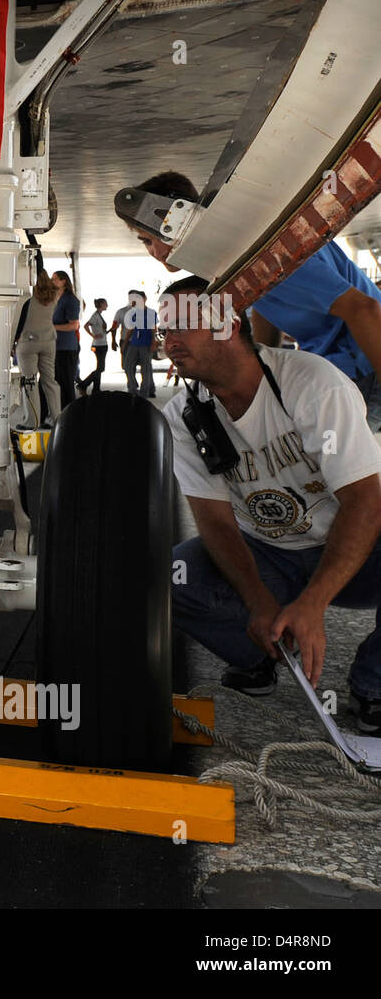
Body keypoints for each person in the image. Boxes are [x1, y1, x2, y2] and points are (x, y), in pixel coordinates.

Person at [161, 275, 381, 733]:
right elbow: (215, 522)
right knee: (169, 578)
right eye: (164, 329)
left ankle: (373, 685)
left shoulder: (312, 384)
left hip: (357, 549)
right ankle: (261, 651)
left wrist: (315, 602)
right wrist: (258, 601)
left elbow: (365, 501)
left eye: (181, 325)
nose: (168, 339)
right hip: (270, 554)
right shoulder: (183, 415)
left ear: (227, 323)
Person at [127, 170, 381, 429]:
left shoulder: (266, 250)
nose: (153, 252)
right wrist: (263, 377)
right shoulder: (235, 252)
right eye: (145, 243)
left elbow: (364, 309)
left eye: (149, 240)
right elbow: (265, 302)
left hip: (365, 364)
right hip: (339, 364)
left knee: (322, 460)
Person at [13, 270, 60, 428]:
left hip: (28, 341)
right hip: (49, 340)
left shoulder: (26, 295)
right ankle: (56, 419)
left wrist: (13, 340)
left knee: (30, 382)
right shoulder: (53, 294)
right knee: (50, 381)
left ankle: (32, 422)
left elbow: (18, 319)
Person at [51, 270, 81, 408]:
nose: (52, 281)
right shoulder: (53, 299)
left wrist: (53, 327)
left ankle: (70, 411)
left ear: (64, 281)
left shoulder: (70, 300)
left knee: (66, 381)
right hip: (55, 346)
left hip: (66, 347)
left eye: (55, 279)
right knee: (55, 380)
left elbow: (74, 325)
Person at [122, 290, 158, 398]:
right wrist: (125, 342)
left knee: (145, 369)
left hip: (146, 344)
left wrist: (153, 343)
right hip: (134, 343)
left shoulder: (151, 312)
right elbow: (130, 329)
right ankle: (132, 389)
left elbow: (154, 329)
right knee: (127, 365)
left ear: (145, 299)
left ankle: (144, 392)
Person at [76, 298, 110, 395]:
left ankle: (96, 389)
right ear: (101, 304)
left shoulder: (99, 315)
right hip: (98, 345)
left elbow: (100, 330)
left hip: (102, 343)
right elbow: (86, 325)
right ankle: (83, 384)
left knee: (99, 367)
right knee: (100, 368)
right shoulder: (95, 316)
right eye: (105, 303)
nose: (107, 305)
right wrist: (93, 335)